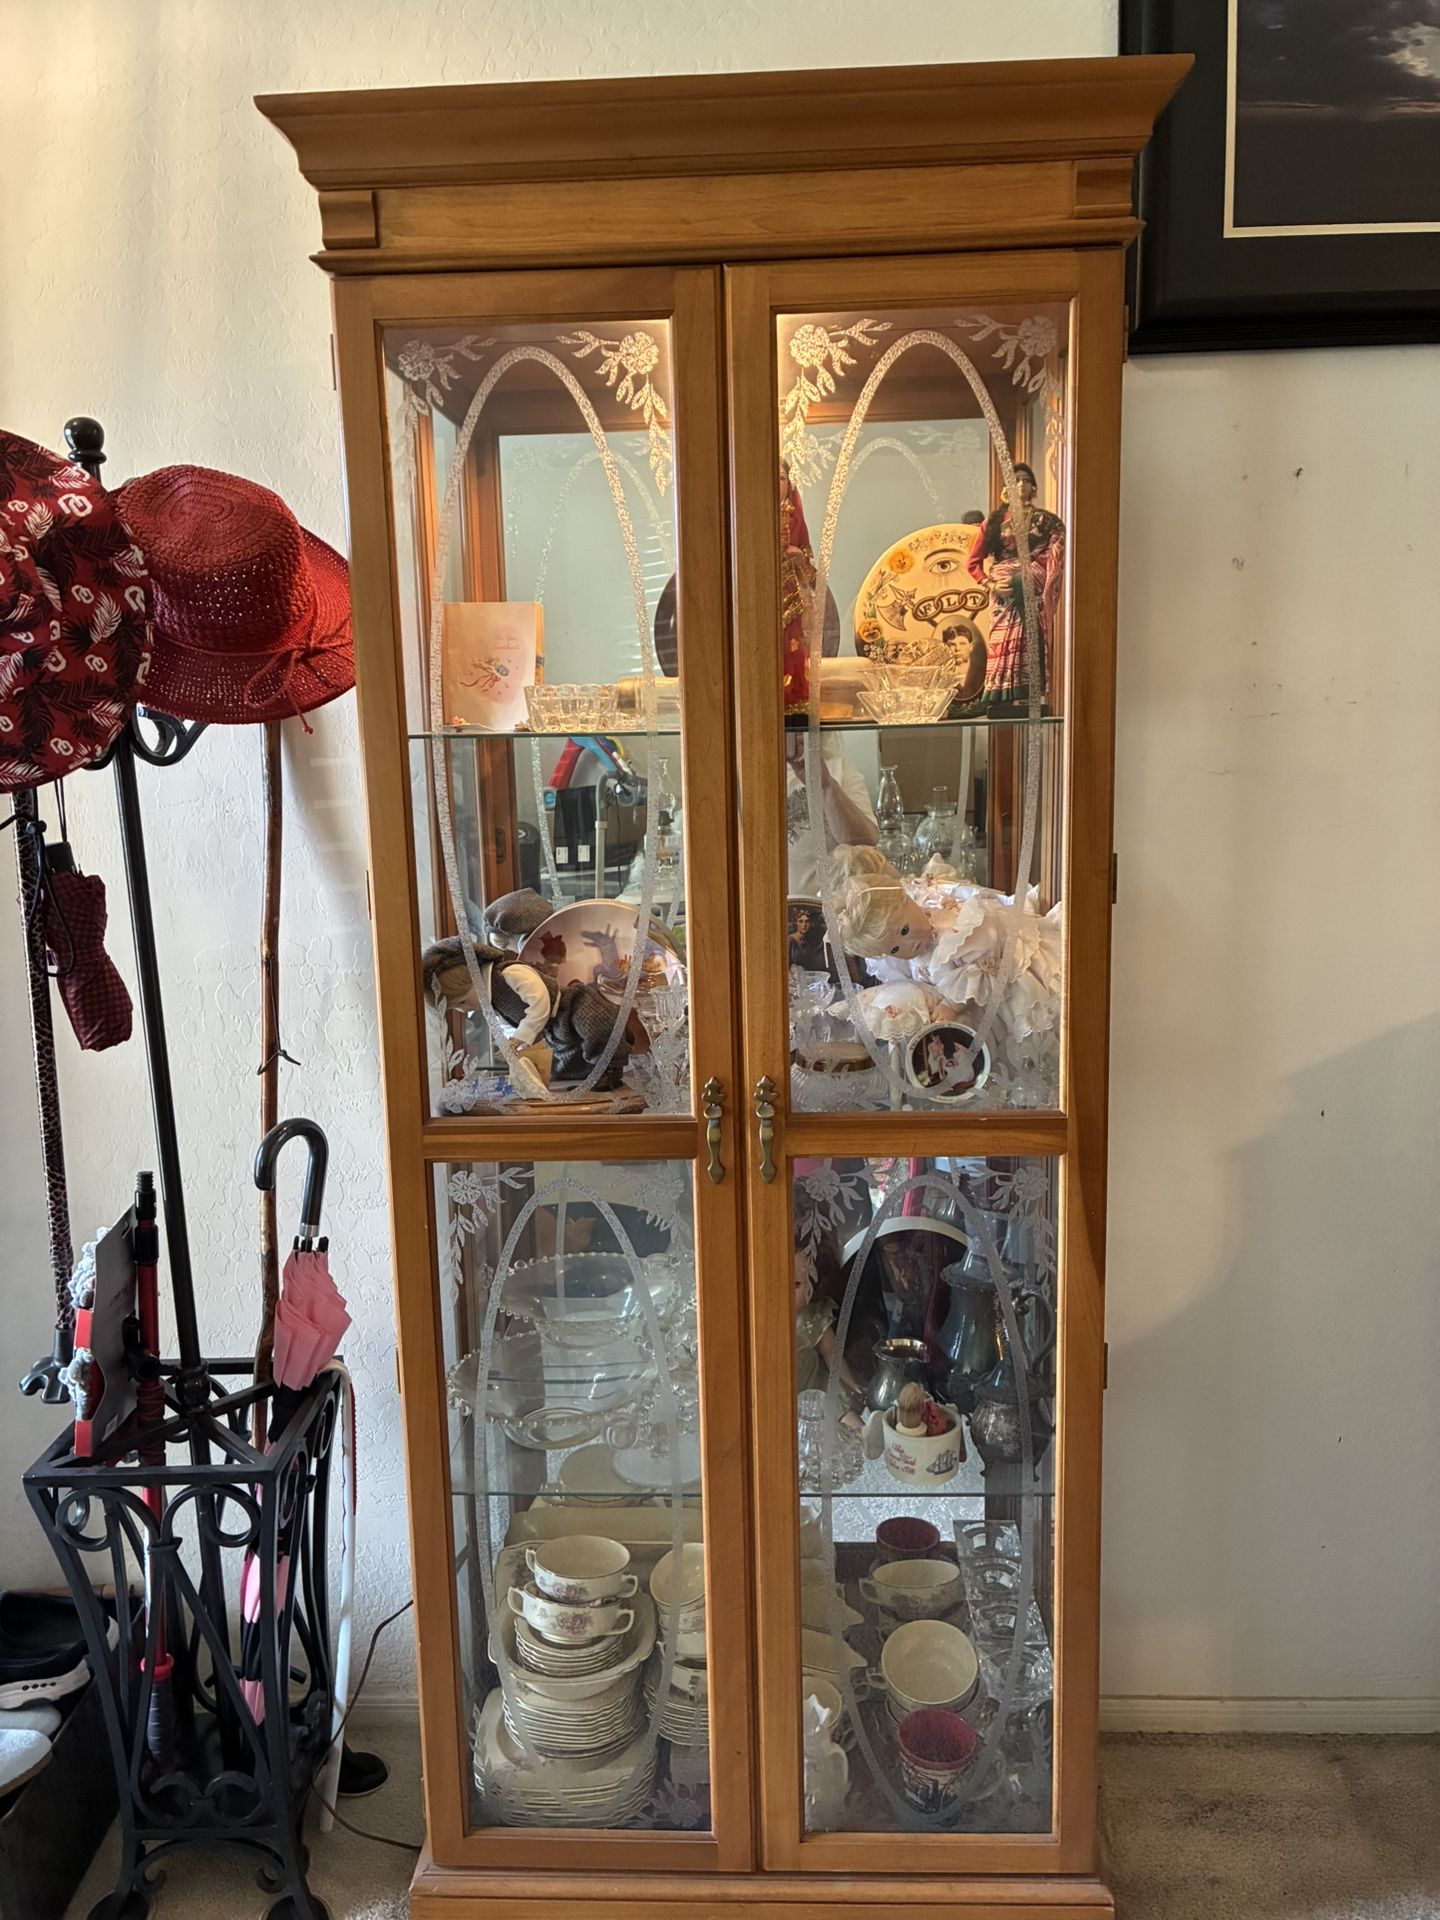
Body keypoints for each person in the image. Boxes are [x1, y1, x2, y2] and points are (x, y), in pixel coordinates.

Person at [967, 461, 1065, 712]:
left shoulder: (1046, 521)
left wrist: (1031, 575)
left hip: (1031, 587)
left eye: (1026, 480)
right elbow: (973, 563)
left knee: (1028, 637)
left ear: (1033, 487)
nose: (1021, 484)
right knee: (1002, 640)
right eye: (1016, 480)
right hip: (1002, 593)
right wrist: (991, 584)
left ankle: (1029, 695)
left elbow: (1056, 550)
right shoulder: (994, 522)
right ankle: (1001, 696)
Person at [785, 733, 877, 897]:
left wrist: (825, 784)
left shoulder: (838, 768)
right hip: (761, 912)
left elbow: (865, 845)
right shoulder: (742, 768)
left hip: (834, 911)